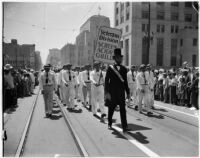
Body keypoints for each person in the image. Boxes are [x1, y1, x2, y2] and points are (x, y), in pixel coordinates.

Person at [105, 48, 130, 133]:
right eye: (118, 57)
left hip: (121, 92)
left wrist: (128, 92)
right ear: (115, 58)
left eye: (121, 57)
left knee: (123, 109)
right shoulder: (110, 68)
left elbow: (125, 81)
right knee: (111, 108)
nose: (120, 59)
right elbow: (106, 81)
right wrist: (107, 92)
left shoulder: (124, 69)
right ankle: (109, 123)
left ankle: (124, 126)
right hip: (112, 92)